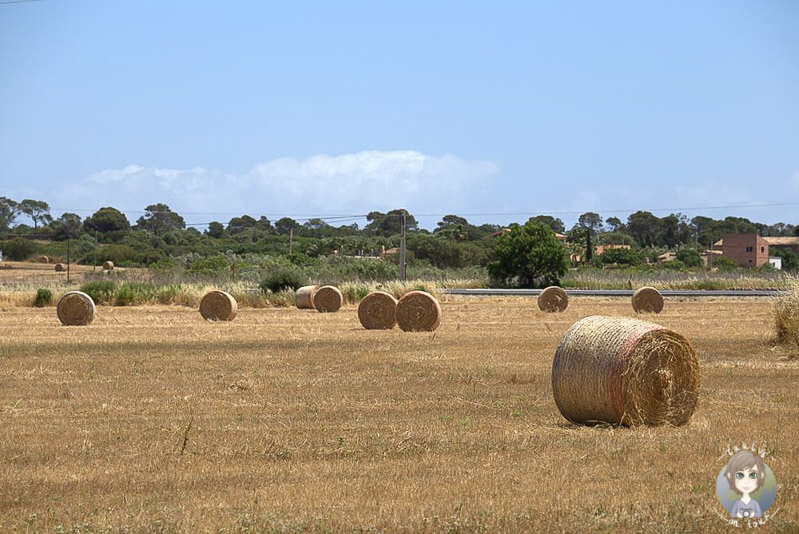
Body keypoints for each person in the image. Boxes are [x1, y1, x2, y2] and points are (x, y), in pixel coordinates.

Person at [724, 450, 766, 519]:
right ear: (730, 476)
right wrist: (738, 514)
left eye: (753, 475)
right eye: (740, 475)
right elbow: (733, 514)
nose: (746, 481)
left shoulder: (754, 503)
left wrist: (752, 514)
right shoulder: (737, 503)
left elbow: (759, 514)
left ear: (761, 476)